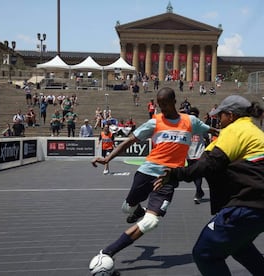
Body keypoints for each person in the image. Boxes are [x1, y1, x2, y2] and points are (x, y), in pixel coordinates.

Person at [153, 95, 264, 276]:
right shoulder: (258, 132)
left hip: (251, 204)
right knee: (239, 246)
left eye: (220, 116)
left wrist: (174, 174)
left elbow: (208, 164)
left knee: (204, 253)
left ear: (230, 115)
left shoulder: (234, 130)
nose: (218, 120)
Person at [89, 87, 216, 270]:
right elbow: (129, 141)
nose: (162, 108)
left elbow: (213, 130)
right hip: (147, 172)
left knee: (151, 222)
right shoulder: (155, 121)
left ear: (174, 102)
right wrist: (108, 158)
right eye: (159, 104)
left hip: (169, 177)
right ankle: (137, 211)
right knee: (127, 209)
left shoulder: (190, 121)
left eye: (165, 104)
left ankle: (107, 252)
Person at [187, 107, 208, 204]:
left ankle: (198, 192)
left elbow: (207, 136)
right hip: (189, 153)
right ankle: (199, 191)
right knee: (194, 174)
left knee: (197, 174)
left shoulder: (200, 124)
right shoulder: (185, 124)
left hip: (199, 153)